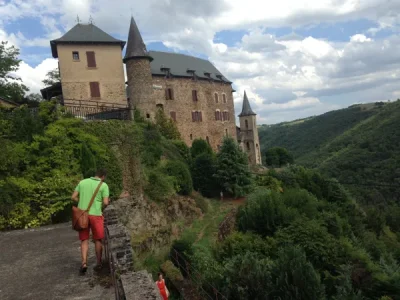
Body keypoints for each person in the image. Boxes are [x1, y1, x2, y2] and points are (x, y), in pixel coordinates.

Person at [71, 168, 110, 275]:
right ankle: (98, 263)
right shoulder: (104, 185)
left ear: (95, 175)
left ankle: (84, 263)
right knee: (98, 239)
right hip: (96, 215)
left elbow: (73, 197)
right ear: (103, 177)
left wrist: (82, 202)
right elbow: (106, 202)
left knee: (84, 240)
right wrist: (101, 206)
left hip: (83, 214)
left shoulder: (82, 182)